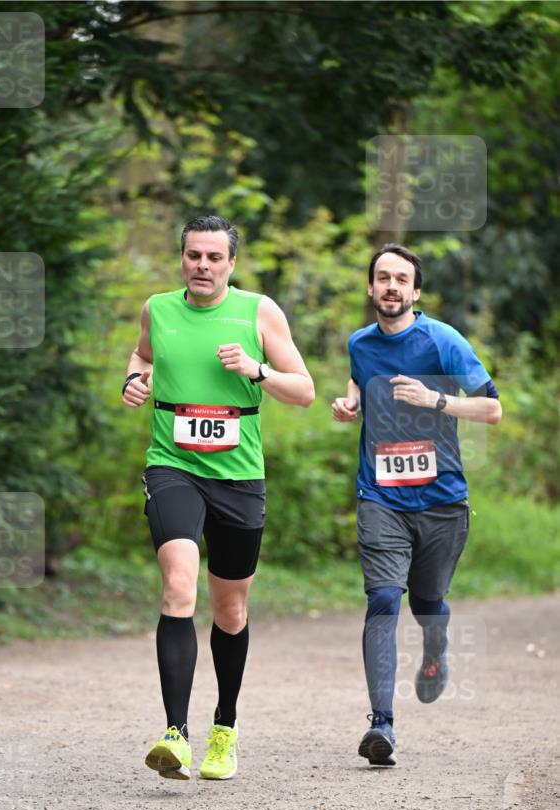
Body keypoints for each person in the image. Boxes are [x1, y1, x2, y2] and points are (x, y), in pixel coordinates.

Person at [123, 215, 314, 780]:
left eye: (213, 258)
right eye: (192, 256)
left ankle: (224, 727)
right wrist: (133, 381)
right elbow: (142, 358)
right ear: (181, 258)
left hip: (237, 475)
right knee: (179, 583)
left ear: (232, 264)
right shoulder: (158, 309)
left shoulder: (258, 312)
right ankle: (175, 733)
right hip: (172, 465)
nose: (201, 266)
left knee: (230, 608)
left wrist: (256, 370)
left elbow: (303, 390)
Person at [332, 244, 502, 766]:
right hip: (380, 496)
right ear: (370, 288)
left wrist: (437, 400)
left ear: (415, 291)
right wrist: (351, 402)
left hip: (442, 501)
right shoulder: (359, 343)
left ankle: (435, 648)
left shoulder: (443, 341)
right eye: (382, 277)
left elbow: (493, 409)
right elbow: (360, 378)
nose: (391, 286)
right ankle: (381, 725)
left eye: (400, 279)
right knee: (383, 598)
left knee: (427, 602)